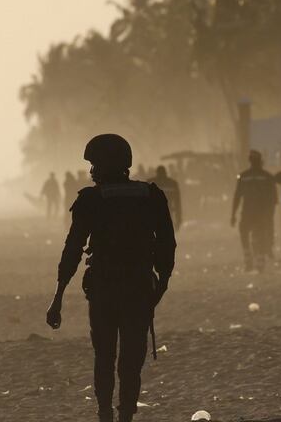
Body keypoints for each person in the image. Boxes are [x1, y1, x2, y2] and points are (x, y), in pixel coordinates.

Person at [46, 134, 175, 422]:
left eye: (94, 165)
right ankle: (125, 415)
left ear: (106, 165)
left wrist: (58, 297)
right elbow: (167, 243)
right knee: (132, 360)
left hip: (104, 289)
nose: (91, 172)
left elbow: (73, 249)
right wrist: (161, 284)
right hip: (140, 288)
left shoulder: (91, 199)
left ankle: (105, 413)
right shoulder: (150, 195)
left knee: (104, 356)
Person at [231, 150, 277, 272]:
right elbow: (273, 199)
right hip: (260, 213)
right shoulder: (267, 176)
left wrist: (233, 214)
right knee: (258, 235)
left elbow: (237, 196)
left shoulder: (243, 176)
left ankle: (250, 260)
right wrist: (270, 215)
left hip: (249, 212)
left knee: (245, 234)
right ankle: (257, 261)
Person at [148, 165, 183, 231]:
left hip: (153, 211)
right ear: (165, 173)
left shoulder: (150, 183)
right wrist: (178, 218)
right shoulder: (173, 183)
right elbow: (177, 203)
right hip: (168, 210)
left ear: (156, 173)